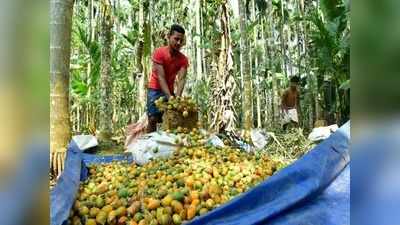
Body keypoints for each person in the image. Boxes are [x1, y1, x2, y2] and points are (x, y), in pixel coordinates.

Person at [146, 24, 189, 133]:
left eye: (181, 40)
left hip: (169, 90)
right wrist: (170, 97)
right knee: (153, 119)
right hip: (155, 90)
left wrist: (177, 98)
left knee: (172, 117)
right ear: (169, 36)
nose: (179, 43)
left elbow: (182, 79)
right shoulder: (159, 53)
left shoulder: (183, 59)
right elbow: (161, 77)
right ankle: (147, 144)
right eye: (176, 39)